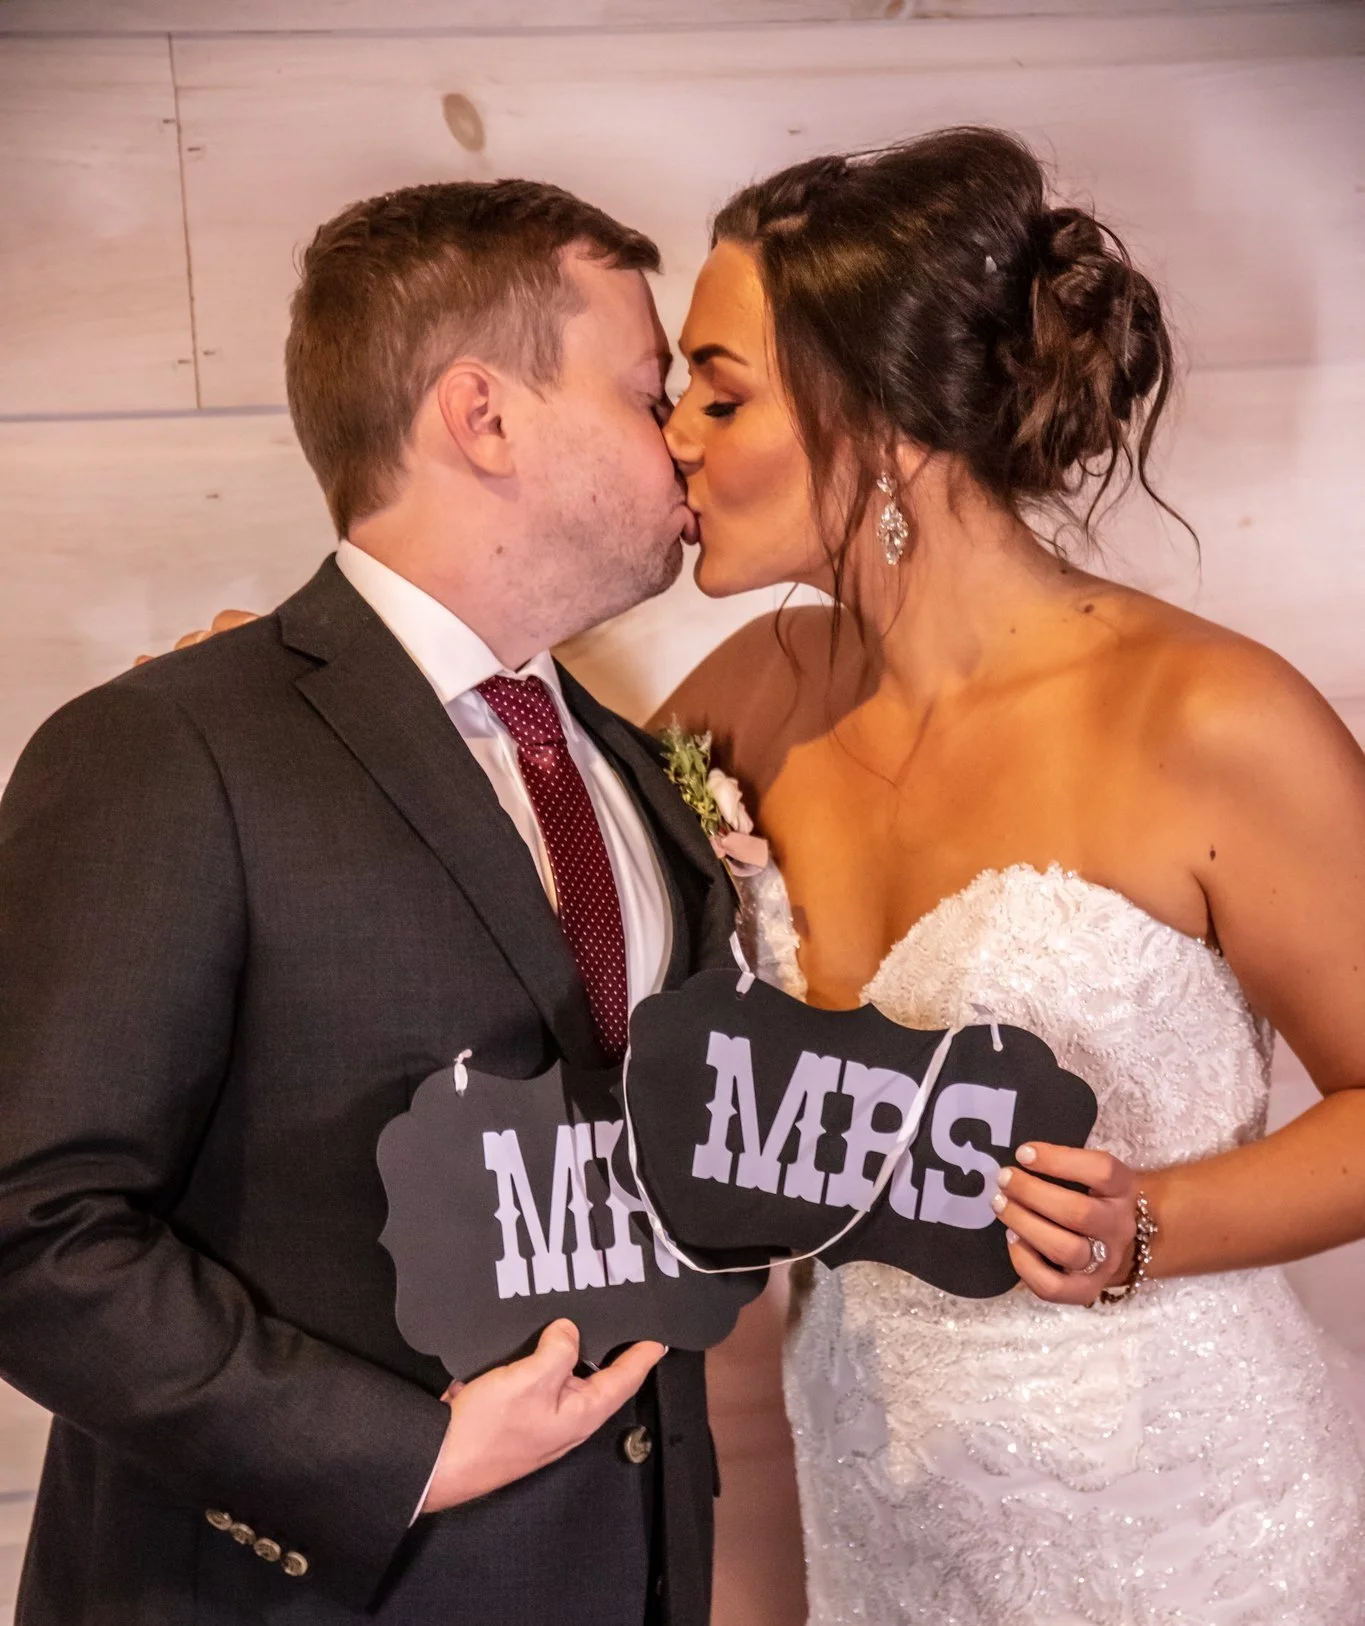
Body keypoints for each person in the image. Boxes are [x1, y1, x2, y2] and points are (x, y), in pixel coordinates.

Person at [0, 181, 738, 1626]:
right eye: (651, 393)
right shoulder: (171, 748)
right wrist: (403, 1453)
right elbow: (30, 1221)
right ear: (486, 416)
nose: (683, 444)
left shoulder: (645, 775)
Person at [655, 127, 1365, 1622]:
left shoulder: (1210, 718)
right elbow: (512, 870)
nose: (676, 435)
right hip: (881, 1527)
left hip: (1187, 1537)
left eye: (720, 392)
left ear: (882, 418)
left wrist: (1146, 1223)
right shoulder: (745, 698)